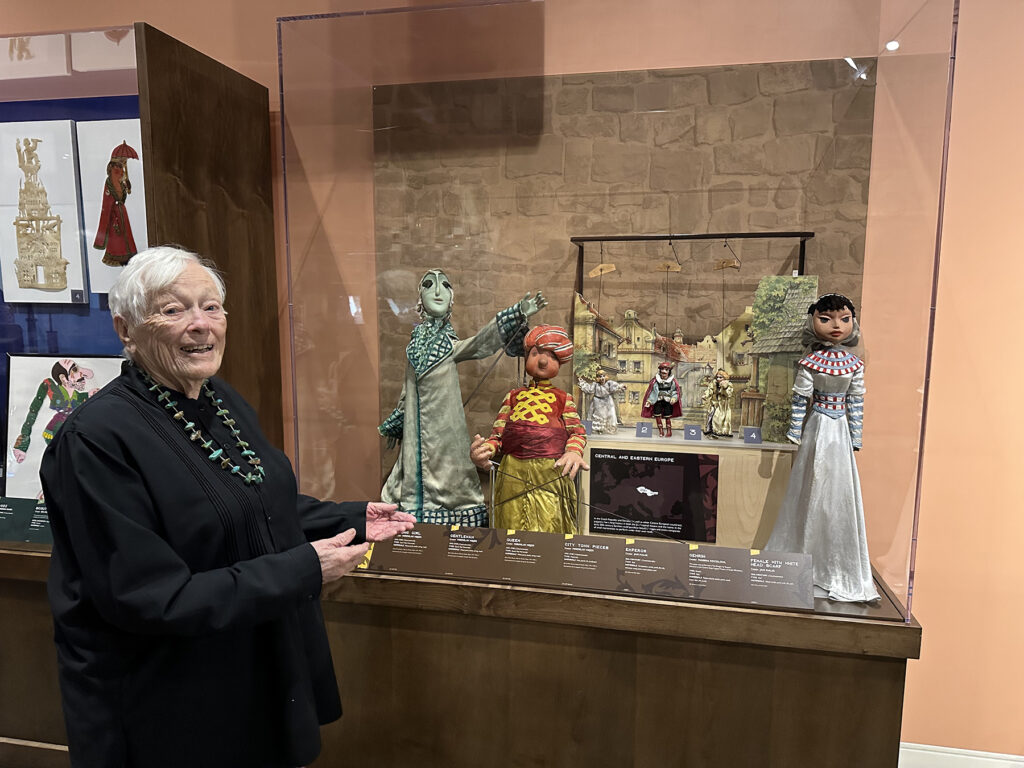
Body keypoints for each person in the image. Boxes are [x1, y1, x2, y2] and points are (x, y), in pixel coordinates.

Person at [41, 246, 415, 768]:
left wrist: (348, 517)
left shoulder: (220, 399)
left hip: (249, 678)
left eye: (212, 307)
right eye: (174, 310)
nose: (201, 325)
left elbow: (251, 503)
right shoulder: (95, 442)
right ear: (126, 329)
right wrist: (305, 568)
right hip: (169, 710)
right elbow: (151, 598)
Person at [378, 267, 546, 526]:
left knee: (450, 474)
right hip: (415, 431)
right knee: (412, 472)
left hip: (446, 430)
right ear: (419, 298)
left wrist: (517, 313)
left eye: (444, 285)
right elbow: (407, 386)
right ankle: (414, 510)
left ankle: (456, 510)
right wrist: (401, 414)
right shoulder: (414, 345)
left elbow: (480, 342)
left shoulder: (449, 345)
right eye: (428, 285)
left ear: (451, 298)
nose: (437, 291)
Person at [764, 293, 879, 602]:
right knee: (808, 487)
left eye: (844, 319)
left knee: (839, 492)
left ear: (853, 322)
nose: (836, 325)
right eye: (825, 319)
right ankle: (802, 557)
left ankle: (837, 564)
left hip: (839, 430)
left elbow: (856, 401)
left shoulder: (854, 364)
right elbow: (800, 399)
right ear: (813, 321)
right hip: (817, 428)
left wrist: (856, 436)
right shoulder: (809, 362)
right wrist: (794, 431)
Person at [470, 325, 588, 533]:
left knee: (549, 526)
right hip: (512, 472)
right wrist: (485, 451)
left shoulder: (563, 399)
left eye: (551, 357)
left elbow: (577, 432)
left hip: (550, 473)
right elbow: (498, 436)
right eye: (535, 354)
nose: (542, 361)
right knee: (509, 524)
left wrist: (573, 451)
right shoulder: (513, 397)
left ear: (559, 363)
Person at [12, 359, 96, 463]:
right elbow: (33, 410)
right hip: (55, 431)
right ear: (63, 378)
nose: (82, 373)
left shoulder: (76, 395)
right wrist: (23, 443)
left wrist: (90, 395)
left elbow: (80, 399)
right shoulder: (52, 389)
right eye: (74, 369)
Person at [93, 151, 138, 266]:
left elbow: (123, 197)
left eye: (120, 167)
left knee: (126, 234)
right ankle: (116, 257)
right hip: (113, 214)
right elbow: (107, 201)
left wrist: (127, 186)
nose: (120, 170)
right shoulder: (109, 183)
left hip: (121, 211)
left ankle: (128, 256)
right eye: (117, 167)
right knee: (116, 236)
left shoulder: (120, 182)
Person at [641, 361, 682, 437]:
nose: (664, 372)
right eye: (662, 370)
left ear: (669, 372)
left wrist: (674, 398)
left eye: (666, 370)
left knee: (667, 416)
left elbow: (674, 391)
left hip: (667, 400)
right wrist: (649, 401)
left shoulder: (672, 382)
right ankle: (661, 430)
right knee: (657, 415)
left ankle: (669, 431)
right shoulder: (656, 381)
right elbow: (653, 392)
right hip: (658, 400)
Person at [577, 370, 624, 434]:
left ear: (606, 376)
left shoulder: (609, 383)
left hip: (607, 401)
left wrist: (621, 386)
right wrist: (582, 383)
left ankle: (608, 429)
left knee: (609, 415)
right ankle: (598, 430)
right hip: (597, 402)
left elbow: (615, 388)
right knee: (598, 416)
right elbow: (589, 389)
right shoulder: (595, 385)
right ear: (598, 378)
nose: (602, 378)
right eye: (600, 376)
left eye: (603, 376)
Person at [702, 368, 734, 438]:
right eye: (717, 377)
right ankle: (710, 430)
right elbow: (709, 390)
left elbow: (728, 394)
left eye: (720, 377)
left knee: (718, 418)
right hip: (713, 402)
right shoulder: (713, 383)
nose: (718, 378)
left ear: (724, 377)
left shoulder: (728, 384)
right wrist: (705, 395)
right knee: (710, 416)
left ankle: (719, 431)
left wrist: (724, 388)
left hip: (722, 405)